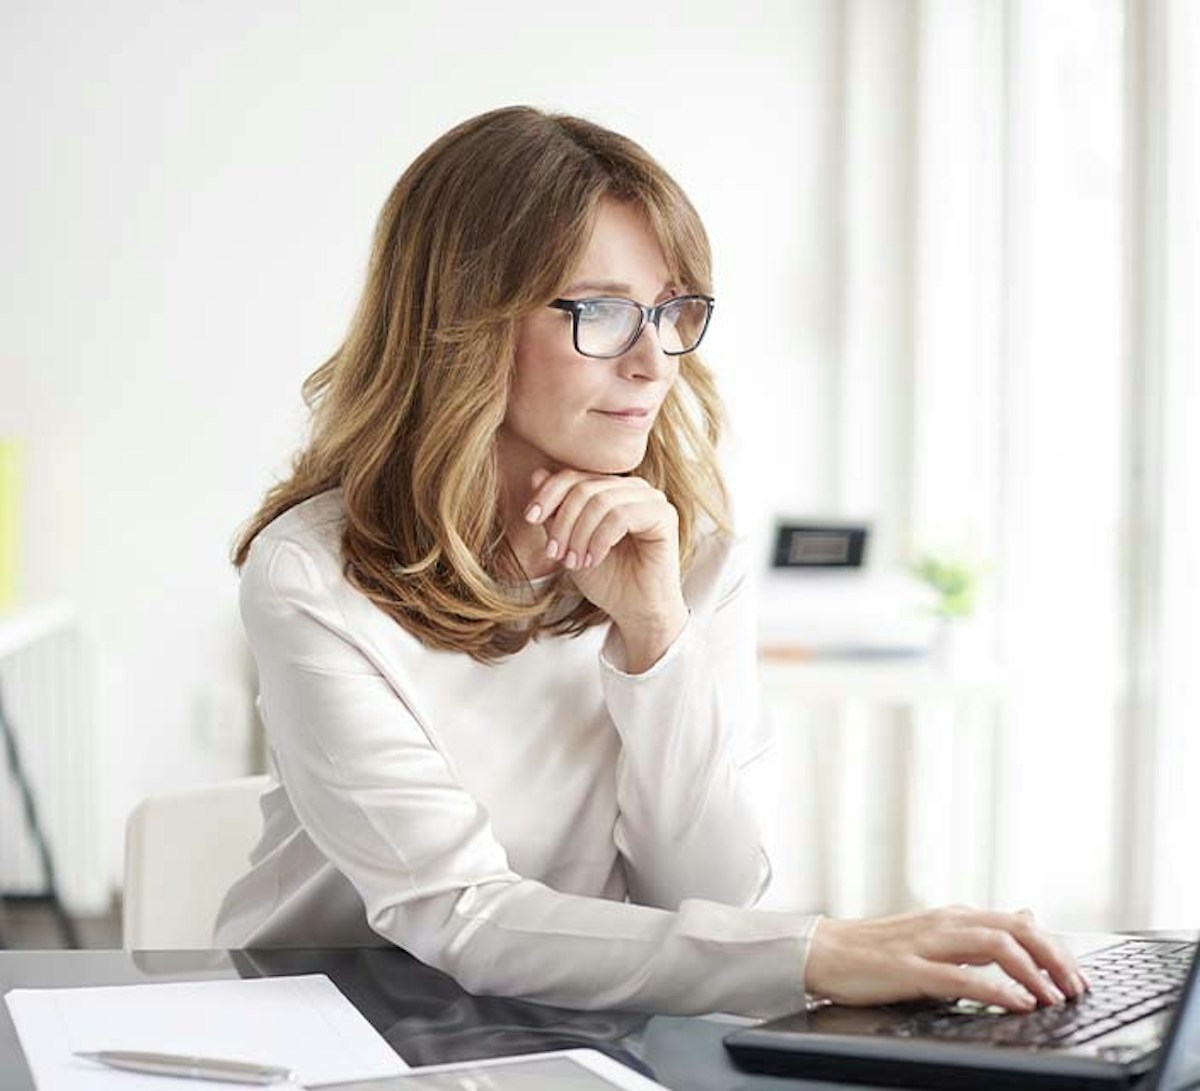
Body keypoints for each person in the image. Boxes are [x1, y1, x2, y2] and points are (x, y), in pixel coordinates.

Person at [215, 105, 1085, 1018]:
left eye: (671, 311)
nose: (653, 360)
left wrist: (656, 637)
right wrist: (823, 949)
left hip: (564, 1022)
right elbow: (459, 913)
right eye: (600, 311)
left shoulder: (693, 552)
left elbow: (705, 897)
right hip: (321, 1021)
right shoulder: (312, 575)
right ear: (464, 323)